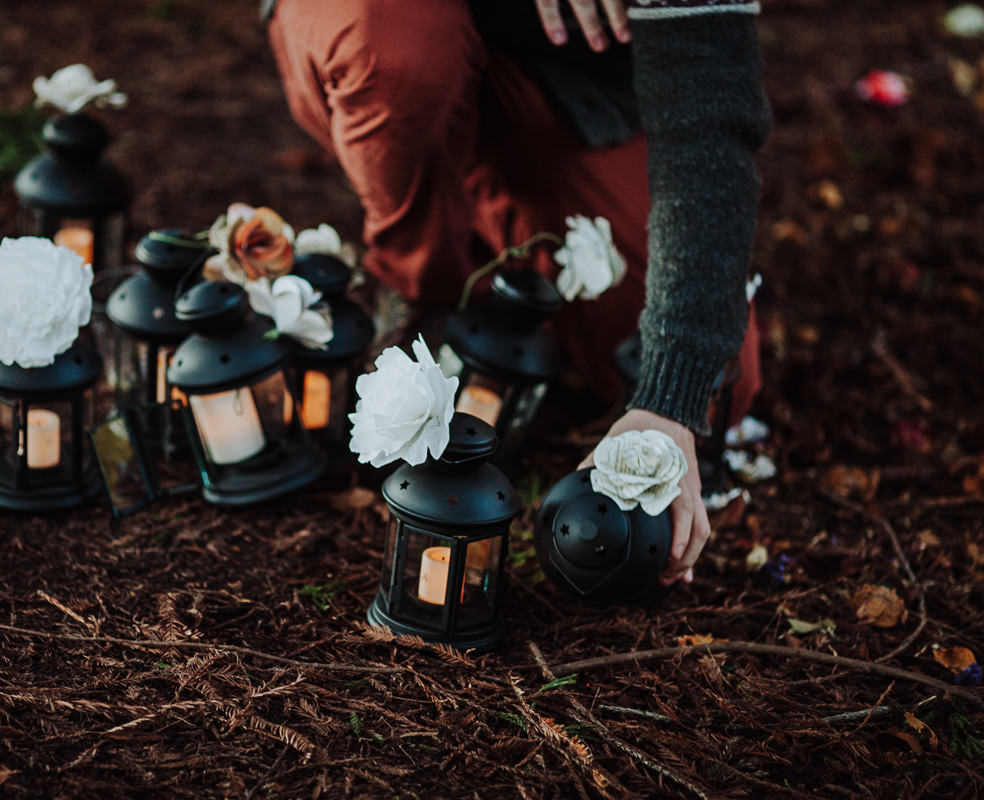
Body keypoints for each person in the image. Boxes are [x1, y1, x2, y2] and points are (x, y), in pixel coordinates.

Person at [264, 0, 772, 586]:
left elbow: (708, 113)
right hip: (389, 30)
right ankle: (419, 280)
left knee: (720, 385)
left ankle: (492, 204)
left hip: (567, 89)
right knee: (397, 55)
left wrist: (669, 400)